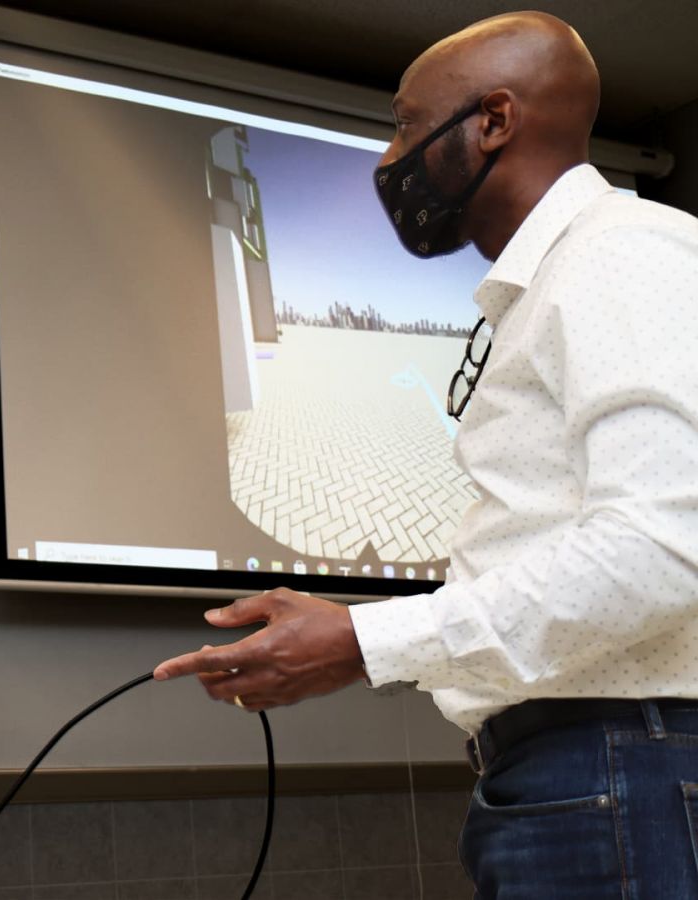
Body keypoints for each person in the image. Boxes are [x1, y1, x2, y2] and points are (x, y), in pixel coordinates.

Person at [154, 11, 698, 898]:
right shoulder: (555, 284)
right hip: (579, 771)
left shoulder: (623, 256)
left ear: (493, 120)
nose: (386, 160)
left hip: (617, 768)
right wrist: (351, 628)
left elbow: (663, 547)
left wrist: (363, 641)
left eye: (405, 125)